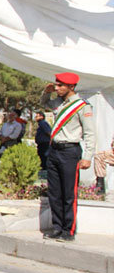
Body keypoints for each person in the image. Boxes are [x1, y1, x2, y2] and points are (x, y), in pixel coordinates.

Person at [40, 72, 95, 242]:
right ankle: (57, 227)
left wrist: (87, 156)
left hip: (70, 151)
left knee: (69, 193)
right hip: (55, 150)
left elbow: (90, 133)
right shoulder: (58, 102)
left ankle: (68, 230)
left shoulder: (82, 106)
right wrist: (46, 91)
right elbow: (43, 103)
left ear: (71, 87)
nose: (57, 88)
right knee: (55, 192)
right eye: (56, 85)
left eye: (60, 85)